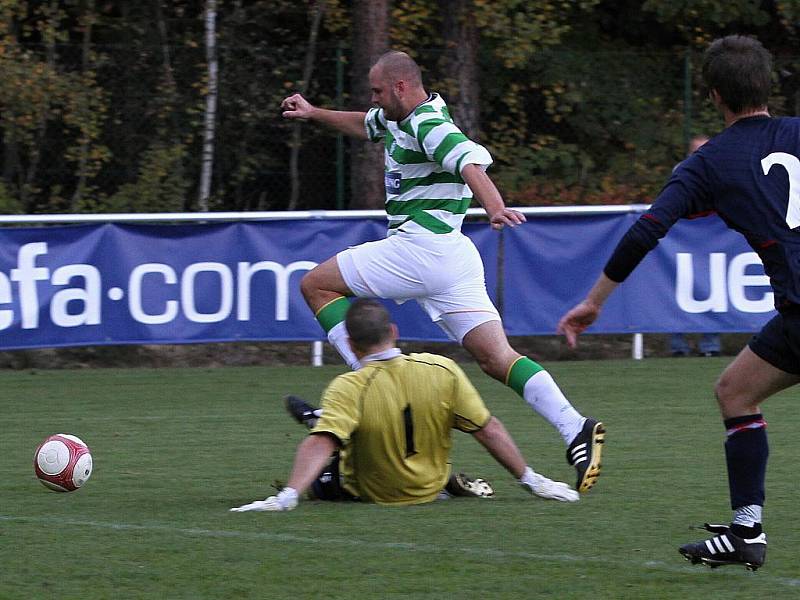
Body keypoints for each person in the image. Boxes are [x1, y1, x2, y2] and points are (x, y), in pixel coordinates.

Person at [280, 50, 604, 494]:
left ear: (400, 87)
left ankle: (369, 381)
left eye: (377, 90)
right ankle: (575, 427)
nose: (371, 99)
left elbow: (468, 162)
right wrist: (315, 113)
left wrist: (494, 208)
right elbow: (363, 124)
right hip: (452, 257)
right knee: (497, 358)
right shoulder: (395, 117)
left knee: (314, 284)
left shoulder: (428, 123)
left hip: (420, 248)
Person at [557, 35, 800, 571]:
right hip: (795, 317)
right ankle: (746, 531)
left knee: (736, 393)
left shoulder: (709, 163)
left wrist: (594, 302)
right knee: (735, 389)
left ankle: (747, 530)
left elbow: (647, 230)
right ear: (767, 85)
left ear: (714, 96)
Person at [231, 299, 579, 511]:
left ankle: (319, 419)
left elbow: (320, 444)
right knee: (380, 427)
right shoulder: (442, 369)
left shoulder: (349, 385)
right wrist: (532, 480)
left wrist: (289, 495)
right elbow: (487, 429)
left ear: (350, 344)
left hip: (370, 491)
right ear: (393, 331)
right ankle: (443, 480)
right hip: (428, 487)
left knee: (326, 463)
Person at [670, 135, 722, 357]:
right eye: (696, 150)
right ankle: (678, 346)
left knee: (714, 290)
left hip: (714, 240)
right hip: (684, 240)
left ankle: (710, 346)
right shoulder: (681, 170)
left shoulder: (722, 167)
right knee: (677, 290)